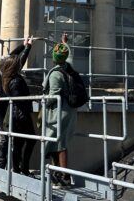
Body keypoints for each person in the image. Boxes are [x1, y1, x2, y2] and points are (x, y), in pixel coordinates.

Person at [0, 37, 33, 168]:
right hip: (0, 108)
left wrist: (25, 46)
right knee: (5, 136)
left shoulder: (9, 71)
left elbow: (15, 57)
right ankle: (2, 161)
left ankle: (14, 164)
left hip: (10, 108)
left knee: (14, 137)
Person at [43, 33, 76, 187]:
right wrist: (64, 43)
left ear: (54, 58)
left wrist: (42, 100)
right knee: (56, 142)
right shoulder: (68, 68)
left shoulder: (56, 74)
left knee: (59, 143)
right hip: (68, 110)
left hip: (58, 112)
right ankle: (58, 173)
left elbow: (53, 96)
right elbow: (68, 57)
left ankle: (65, 177)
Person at [0, 54, 36, 175]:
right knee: (30, 140)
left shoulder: (10, 78)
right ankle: (22, 167)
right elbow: (18, 99)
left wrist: (27, 48)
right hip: (21, 115)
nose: (20, 64)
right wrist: (31, 99)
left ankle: (18, 168)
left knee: (19, 143)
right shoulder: (15, 80)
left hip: (17, 115)